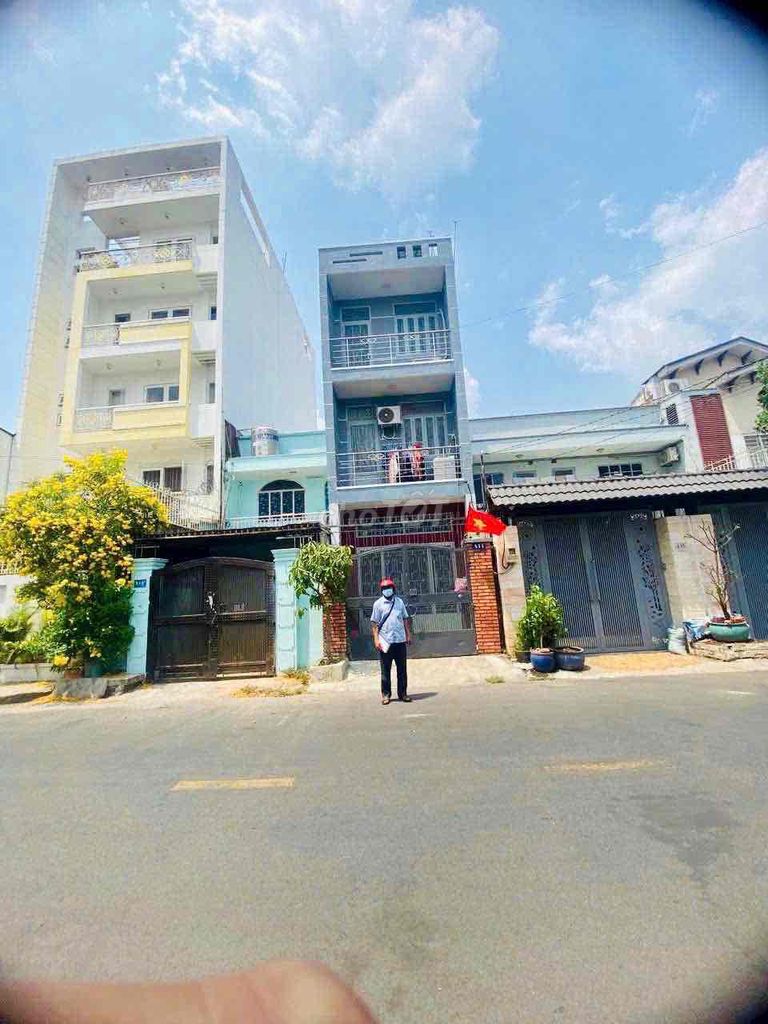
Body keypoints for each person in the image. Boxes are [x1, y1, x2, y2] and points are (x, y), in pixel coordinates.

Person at [370, 577, 412, 705]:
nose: (387, 590)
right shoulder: (378, 604)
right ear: (381, 590)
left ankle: (403, 694)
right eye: (384, 588)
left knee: (402, 670)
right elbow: (374, 623)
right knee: (385, 670)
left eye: (389, 588)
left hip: (399, 640)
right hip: (385, 642)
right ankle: (386, 695)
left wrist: (408, 635)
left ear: (393, 589)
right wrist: (376, 639)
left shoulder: (399, 602)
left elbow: (405, 619)